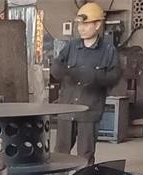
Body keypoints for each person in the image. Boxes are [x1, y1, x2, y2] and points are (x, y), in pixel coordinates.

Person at [51, 2, 121, 165]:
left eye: (86, 24)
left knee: (85, 153)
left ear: (97, 25)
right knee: (60, 151)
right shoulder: (71, 46)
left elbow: (115, 76)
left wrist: (96, 77)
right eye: (79, 25)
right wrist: (58, 70)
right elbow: (57, 64)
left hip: (90, 109)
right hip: (67, 108)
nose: (81, 28)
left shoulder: (108, 51)